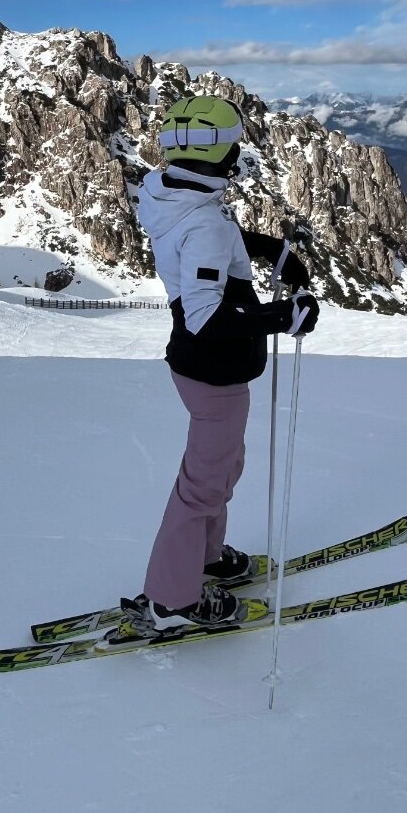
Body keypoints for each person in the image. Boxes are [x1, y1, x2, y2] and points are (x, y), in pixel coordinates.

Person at [135, 95, 320, 631]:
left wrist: (272, 251)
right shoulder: (203, 224)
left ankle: (206, 558)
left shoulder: (169, 195)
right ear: (216, 154)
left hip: (204, 370)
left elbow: (209, 236)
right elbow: (205, 317)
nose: (239, 155)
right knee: (201, 484)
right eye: (233, 146)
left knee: (222, 467)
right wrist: (284, 316)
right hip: (212, 371)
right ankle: (172, 599)